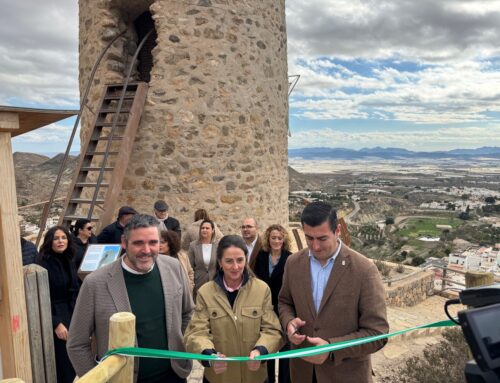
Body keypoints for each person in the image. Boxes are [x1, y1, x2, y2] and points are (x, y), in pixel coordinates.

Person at [67, 214, 194, 382]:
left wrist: (176, 344)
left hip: (174, 376)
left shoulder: (173, 267)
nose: (147, 250)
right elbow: (77, 344)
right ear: (124, 242)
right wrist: (98, 379)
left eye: (153, 242)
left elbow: (187, 312)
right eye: (138, 243)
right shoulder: (95, 283)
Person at [278, 202, 389, 383]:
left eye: (322, 239)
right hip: (302, 373)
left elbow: (378, 334)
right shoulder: (293, 263)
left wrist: (331, 349)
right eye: (309, 238)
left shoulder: (364, 270)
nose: (315, 247)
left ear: (337, 230)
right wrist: (288, 321)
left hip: (346, 375)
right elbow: (285, 302)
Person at [184, 235, 284, 383]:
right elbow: (196, 332)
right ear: (220, 262)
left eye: (240, 260)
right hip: (219, 378)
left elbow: (273, 330)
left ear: (246, 259)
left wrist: (261, 350)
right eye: (229, 261)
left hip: (254, 377)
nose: (235, 267)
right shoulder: (205, 292)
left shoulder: (262, 289)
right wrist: (209, 356)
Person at [36, 226, 80, 383]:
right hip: (56, 315)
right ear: (50, 242)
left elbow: (74, 289)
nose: (61, 241)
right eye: (56, 238)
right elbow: (42, 298)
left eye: (63, 237)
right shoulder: (43, 263)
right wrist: (56, 323)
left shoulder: (69, 258)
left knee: (74, 359)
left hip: (72, 312)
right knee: (63, 363)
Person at [253, 224, 292, 383]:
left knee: (283, 349)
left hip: (282, 308)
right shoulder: (261, 256)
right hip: (264, 307)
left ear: (284, 240)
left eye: (279, 238)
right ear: (268, 239)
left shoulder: (290, 258)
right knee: (266, 346)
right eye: (273, 237)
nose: (276, 241)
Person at [188, 219, 219, 297]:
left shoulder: (217, 246)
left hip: (214, 283)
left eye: (207, 228)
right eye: (202, 228)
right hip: (198, 283)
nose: (204, 230)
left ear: (212, 230)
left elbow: (219, 266)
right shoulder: (193, 246)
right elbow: (189, 267)